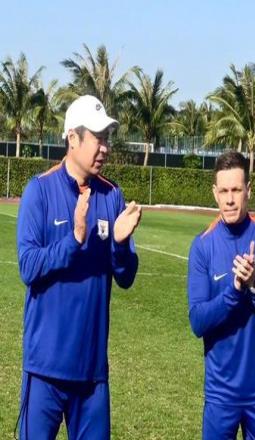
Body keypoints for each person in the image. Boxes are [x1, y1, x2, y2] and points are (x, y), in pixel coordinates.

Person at [15, 95, 142, 439]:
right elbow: (28, 266)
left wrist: (120, 244)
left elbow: (126, 276)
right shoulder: (39, 191)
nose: (105, 148)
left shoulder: (112, 195)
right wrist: (74, 239)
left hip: (92, 373)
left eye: (107, 138)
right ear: (73, 138)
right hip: (44, 369)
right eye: (98, 138)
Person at [187, 151, 255, 439]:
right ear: (214, 193)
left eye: (236, 190)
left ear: (248, 190)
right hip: (220, 395)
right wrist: (233, 292)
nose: (230, 199)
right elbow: (198, 321)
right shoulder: (202, 246)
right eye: (224, 191)